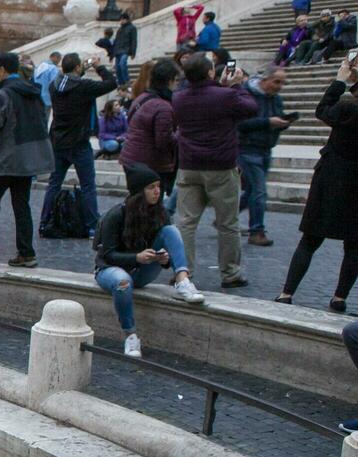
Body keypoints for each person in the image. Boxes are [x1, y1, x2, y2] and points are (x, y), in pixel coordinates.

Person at [94, 164, 207, 357]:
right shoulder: (116, 215)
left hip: (142, 271)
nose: (157, 192)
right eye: (151, 187)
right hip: (110, 270)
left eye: (158, 186)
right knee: (122, 281)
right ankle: (130, 336)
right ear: (139, 191)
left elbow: (165, 255)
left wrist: (163, 259)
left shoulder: (160, 213)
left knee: (171, 231)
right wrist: (136, 257)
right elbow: (107, 255)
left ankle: (182, 280)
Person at [275, 56, 358, 312]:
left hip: (331, 177)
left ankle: (286, 292)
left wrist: (340, 81)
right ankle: (339, 298)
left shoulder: (347, 107)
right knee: (354, 245)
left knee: (310, 239)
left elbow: (322, 110)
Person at [171, 54, 257, 288]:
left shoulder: (178, 98)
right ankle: (230, 273)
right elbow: (250, 108)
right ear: (210, 72)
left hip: (189, 165)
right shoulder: (226, 95)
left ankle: (183, 271)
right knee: (227, 223)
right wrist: (237, 85)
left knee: (186, 223)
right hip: (221, 166)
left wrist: (223, 87)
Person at [0, 53, 50, 267]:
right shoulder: (32, 92)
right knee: (22, 205)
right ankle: (27, 252)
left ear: (1, 71)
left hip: (5, 157)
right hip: (26, 159)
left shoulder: (4, 93)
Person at [42, 52, 118, 238]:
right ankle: (92, 226)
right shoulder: (84, 86)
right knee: (88, 186)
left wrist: (81, 69)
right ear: (77, 68)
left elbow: (71, 82)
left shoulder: (54, 86)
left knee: (54, 184)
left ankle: (45, 222)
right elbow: (111, 83)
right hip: (79, 142)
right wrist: (98, 66)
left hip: (58, 141)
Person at [235, 68, 289, 249]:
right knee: (259, 190)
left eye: (282, 83)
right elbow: (240, 124)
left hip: (266, 147)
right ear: (265, 79)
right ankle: (256, 231)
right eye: (277, 82)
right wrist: (268, 122)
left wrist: (282, 123)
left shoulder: (275, 98)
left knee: (251, 190)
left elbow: (277, 117)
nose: (279, 87)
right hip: (248, 148)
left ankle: (226, 218)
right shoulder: (247, 95)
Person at [120, 58, 180, 202]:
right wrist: (181, 134)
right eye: (176, 80)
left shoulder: (142, 97)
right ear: (169, 81)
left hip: (132, 158)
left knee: (137, 202)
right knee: (149, 206)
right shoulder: (163, 107)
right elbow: (163, 141)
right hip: (150, 164)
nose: (177, 84)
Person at [112, 12, 138, 86]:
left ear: (126, 19)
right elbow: (116, 41)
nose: (121, 21)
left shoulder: (132, 28)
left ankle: (126, 81)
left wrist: (133, 52)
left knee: (122, 64)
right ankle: (121, 83)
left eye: (123, 19)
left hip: (125, 50)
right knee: (117, 68)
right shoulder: (120, 29)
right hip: (118, 51)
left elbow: (134, 40)